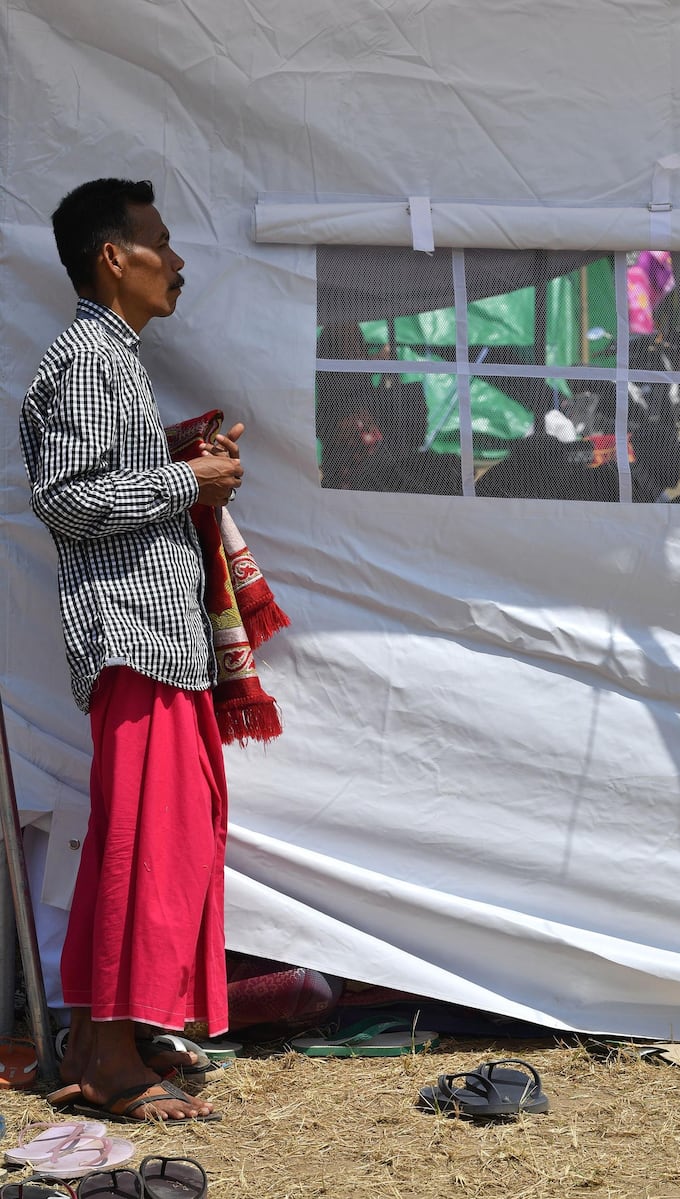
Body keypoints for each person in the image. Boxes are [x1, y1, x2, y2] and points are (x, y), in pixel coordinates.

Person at [19, 177, 245, 1122]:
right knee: (142, 846)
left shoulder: (113, 360)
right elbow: (66, 500)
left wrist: (184, 475)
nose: (179, 260)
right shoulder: (81, 362)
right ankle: (105, 1056)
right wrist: (186, 478)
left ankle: (114, 1033)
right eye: (161, 241)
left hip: (158, 637)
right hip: (131, 638)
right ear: (115, 257)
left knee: (172, 837)